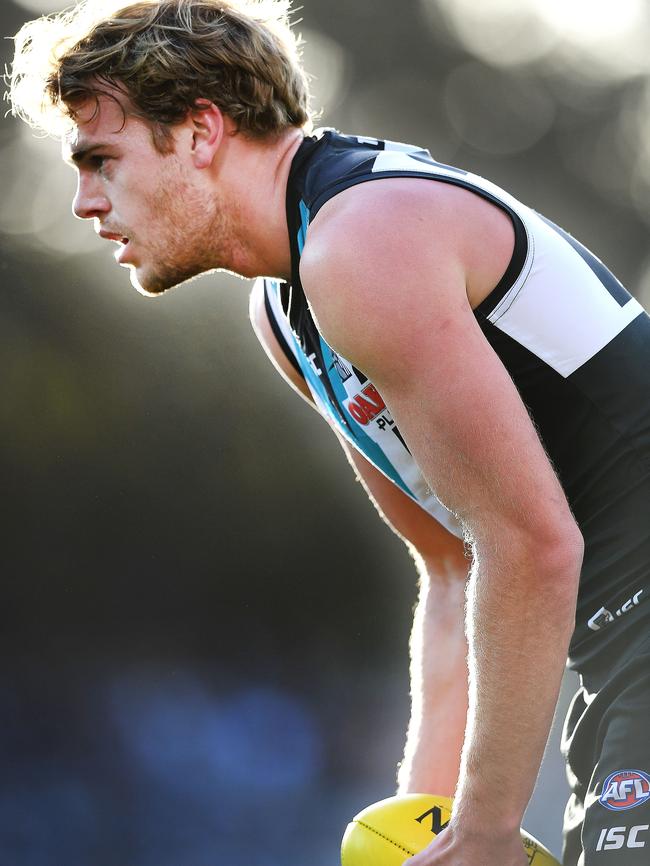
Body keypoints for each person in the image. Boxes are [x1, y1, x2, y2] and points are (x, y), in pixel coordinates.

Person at [9, 1, 650, 863]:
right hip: (620, 656)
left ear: (200, 130)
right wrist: (427, 822)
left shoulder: (363, 242)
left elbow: (531, 543)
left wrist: (487, 830)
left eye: (99, 160)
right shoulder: (285, 306)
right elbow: (456, 567)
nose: (84, 202)